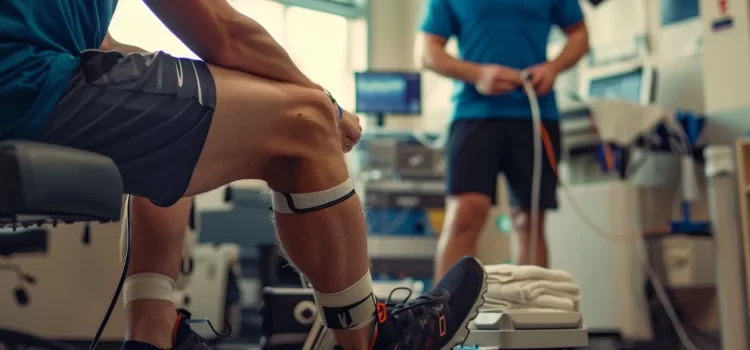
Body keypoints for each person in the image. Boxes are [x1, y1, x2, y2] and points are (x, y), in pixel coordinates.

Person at [0, 1, 489, 350]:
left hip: (28, 81)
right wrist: (329, 105)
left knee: (167, 119)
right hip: (26, 86)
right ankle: (370, 336)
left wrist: (237, 85)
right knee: (306, 122)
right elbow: (222, 31)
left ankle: (152, 335)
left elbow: (110, 51)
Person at [419, 0, 589, 275]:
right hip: (473, 113)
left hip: (535, 114)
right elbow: (428, 53)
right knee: (465, 214)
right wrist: (477, 74)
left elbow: (579, 35)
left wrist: (553, 68)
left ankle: (530, 314)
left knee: (530, 221)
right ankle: (446, 315)